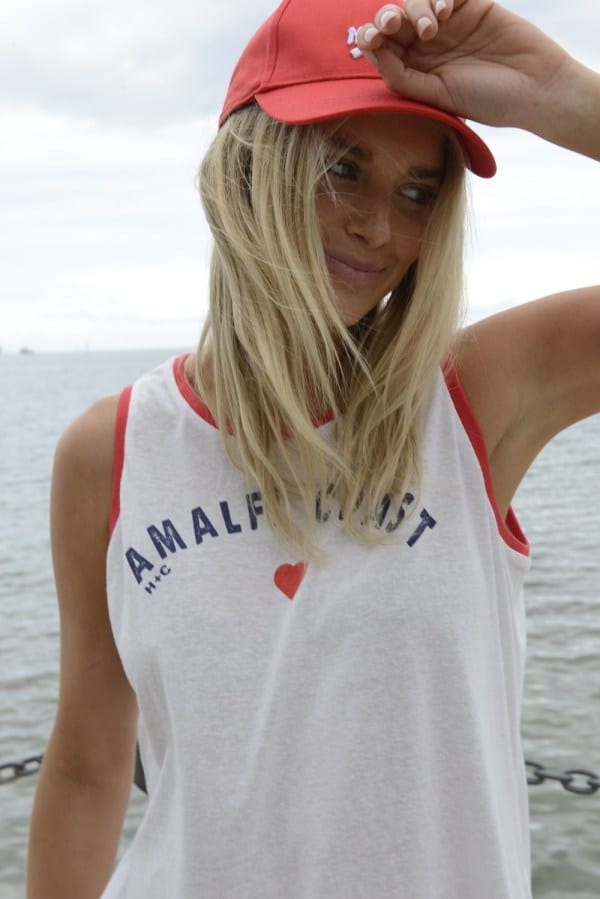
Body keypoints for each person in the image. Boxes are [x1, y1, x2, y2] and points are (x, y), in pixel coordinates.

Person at [27, 0, 599, 896]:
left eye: (418, 192)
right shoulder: (112, 449)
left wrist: (563, 98)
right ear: (247, 169)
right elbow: (88, 764)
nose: (380, 227)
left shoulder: (473, 399)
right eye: (342, 169)